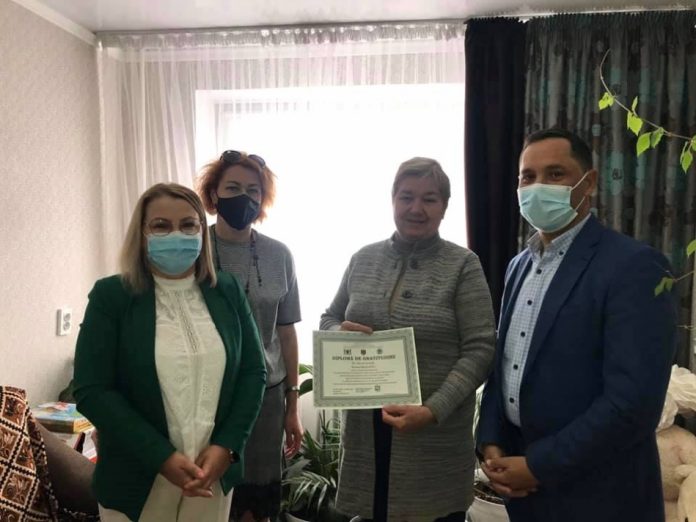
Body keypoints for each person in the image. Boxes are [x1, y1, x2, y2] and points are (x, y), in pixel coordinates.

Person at [476, 128, 677, 522]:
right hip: (525, 491)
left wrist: (539, 465)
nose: (538, 187)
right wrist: (491, 440)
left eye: (555, 174)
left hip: (601, 493)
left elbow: (633, 403)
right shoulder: (518, 266)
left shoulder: (635, 266)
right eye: (528, 177)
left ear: (590, 183)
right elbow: (506, 364)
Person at [73, 183, 267, 522]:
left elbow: (254, 372)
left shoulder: (227, 290)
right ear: (142, 233)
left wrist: (227, 446)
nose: (176, 234)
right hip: (137, 479)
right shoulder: (112, 296)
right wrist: (160, 456)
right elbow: (93, 389)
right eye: (161, 226)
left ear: (202, 231)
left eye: (188, 225)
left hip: (212, 474)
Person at [320, 157, 496, 522]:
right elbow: (329, 318)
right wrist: (338, 334)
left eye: (429, 199)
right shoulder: (363, 259)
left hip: (433, 436)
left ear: (444, 207)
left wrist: (433, 409)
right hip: (367, 433)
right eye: (406, 197)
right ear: (392, 201)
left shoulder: (463, 265)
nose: (416, 208)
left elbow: (481, 348)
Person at [196, 150, 303, 522]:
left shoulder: (280, 255)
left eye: (253, 190)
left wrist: (292, 406)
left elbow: (286, 332)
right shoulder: (194, 249)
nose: (244, 197)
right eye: (233, 188)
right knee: (207, 492)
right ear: (214, 194)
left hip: (265, 396)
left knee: (256, 503)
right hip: (206, 393)